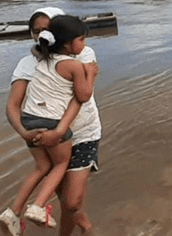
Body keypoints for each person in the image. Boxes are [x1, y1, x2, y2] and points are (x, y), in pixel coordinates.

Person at [1, 14, 98, 234]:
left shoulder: (41, 58)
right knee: (59, 165)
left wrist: (25, 132)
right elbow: (83, 95)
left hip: (30, 120)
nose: (85, 44)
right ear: (66, 42)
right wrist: (89, 74)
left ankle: (13, 211)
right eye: (81, 39)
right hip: (53, 124)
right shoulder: (73, 64)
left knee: (42, 168)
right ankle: (37, 207)